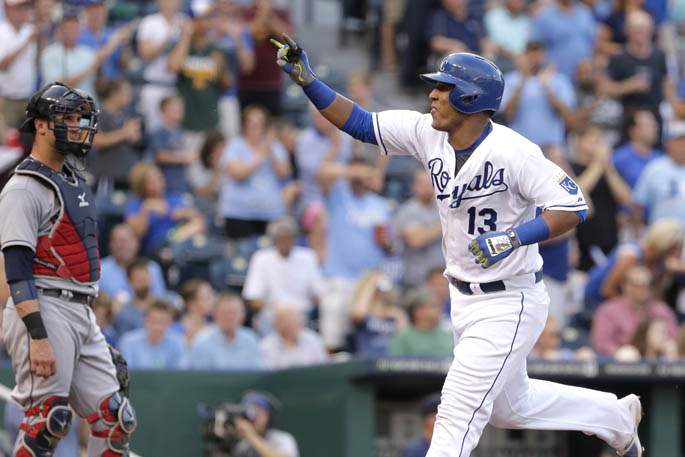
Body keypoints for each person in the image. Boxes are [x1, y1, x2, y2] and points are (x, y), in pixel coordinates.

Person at [274, 36, 644, 457]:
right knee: (510, 407)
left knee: (456, 409)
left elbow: (573, 206)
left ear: (470, 98)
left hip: (510, 298)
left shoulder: (514, 152)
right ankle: (614, 417)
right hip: (463, 298)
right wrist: (309, 82)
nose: (433, 94)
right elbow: (362, 123)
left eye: (444, 87)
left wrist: (513, 237)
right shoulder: (427, 133)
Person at [0, 82, 136, 456]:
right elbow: (16, 268)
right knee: (47, 420)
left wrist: (85, 326)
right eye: (67, 118)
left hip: (81, 307)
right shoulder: (24, 187)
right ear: (41, 125)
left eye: (79, 119)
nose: (76, 126)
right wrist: (38, 335)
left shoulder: (74, 180)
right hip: (43, 303)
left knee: (115, 419)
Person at [218, 105, 291, 239]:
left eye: (259, 123)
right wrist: (260, 155)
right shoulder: (235, 146)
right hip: (239, 214)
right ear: (244, 125)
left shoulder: (275, 147)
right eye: (251, 122)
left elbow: (284, 174)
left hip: (270, 213)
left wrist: (270, 152)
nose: (255, 126)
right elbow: (238, 174)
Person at [242, 217, 323, 335]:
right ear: (274, 240)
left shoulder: (308, 257)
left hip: (302, 313)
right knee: (268, 318)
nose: (285, 242)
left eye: (288, 238)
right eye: (281, 238)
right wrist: (277, 308)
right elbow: (252, 298)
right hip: (272, 313)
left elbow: (319, 294)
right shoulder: (261, 258)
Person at [168, 0, 231, 146]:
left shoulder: (216, 49)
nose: (206, 23)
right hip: (186, 123)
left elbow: (227, 85)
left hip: (211, 121)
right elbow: (173, 67)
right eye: (201, 18)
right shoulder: (182, 46)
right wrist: (186, 36)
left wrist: (221, 68)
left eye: (208, 18)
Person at [570, 125, 631, 272]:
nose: (598, 145)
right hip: (583, 241)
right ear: (579, 141)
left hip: (610, 239)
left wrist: (608, 167)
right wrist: (597, 164)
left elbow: (626, 198)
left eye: (599, 140)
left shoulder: (609, 169)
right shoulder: (570, 167)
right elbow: (578, 192)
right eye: (593, 140)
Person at [500, 40, 577, 148]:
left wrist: (547, 88)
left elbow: (568, 115)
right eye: (531, 55)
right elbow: (508, 114)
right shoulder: (511, 80)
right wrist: (523, 80)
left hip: (552, 145)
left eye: (539, 55)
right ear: (525, 56)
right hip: (520, 146)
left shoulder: (559, 80)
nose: (535, 60)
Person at [591, 265, 678, 357]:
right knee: (628, 354)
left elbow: (674, 337)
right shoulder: (608, 310)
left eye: (647, 284)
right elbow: (602, 343)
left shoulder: (661, 310)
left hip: (658, 359)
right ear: (625, 286)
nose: (643, 288)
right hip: (622, 361)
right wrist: (622, 353)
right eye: (637, 284)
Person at [125, 162, 206, 257]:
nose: (159, 182)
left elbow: (199, 219)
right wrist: (145, 210)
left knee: (198, 224)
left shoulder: (174, 197)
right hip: (154, 249)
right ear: (142, 185)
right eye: (152, 181)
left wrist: (181, 213)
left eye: (159, 177)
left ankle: (172, 244)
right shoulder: (136, 205)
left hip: (179, 241)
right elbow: (136, 234)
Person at [40, 8, 123, 99]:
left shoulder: (88, 52)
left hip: (87, 103)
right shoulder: (49, 53)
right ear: (60, 30)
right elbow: (56, 86)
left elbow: (100, 84)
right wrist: (91, 68)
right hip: (60, 104)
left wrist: (102, 65)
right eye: (67, 28)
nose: (71, 32)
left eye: (74, 28)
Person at [137, 0, 187, 131]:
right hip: (153, 84)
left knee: (171, 130)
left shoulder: (184, 21)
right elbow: (145, 54)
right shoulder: (150, 22)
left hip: (173, 86)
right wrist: (168, 38)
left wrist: (184, 36)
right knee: (153, 130)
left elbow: (176, 65)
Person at [394, 168, 445, 289]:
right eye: (422, 183)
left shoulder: (442, 208)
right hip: (416, 282)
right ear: (413, 186)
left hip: (442, 281)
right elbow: (416, 240)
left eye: (430, 183)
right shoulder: (407, 211)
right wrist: (447, 222)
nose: (427, 187)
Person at [90, 78, 143, 192]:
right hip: (109, 176)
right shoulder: (100, 113)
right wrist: (124, 133)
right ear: (114, 94)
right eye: (126, 93)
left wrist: (133, 136)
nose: (129, 97)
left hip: (128, 175)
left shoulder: (124, 114)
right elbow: (97, 141)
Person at [188, 293, 262, 370]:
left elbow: (257, 372)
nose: (230, 317)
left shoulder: (251, 339)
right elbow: (198, 375)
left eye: (234, 312)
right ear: (215, 315)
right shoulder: (202, 341)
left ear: (243, 316)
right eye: (224, 312)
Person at [99, 223, 167, 305]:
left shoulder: (151, 268)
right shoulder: (100, 269)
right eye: (116, 241)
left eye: (125, 241)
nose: (121, 246)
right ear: (110, 244)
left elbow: (160, 301)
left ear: (136, 242)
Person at [632, 120, 685, 224]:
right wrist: (638, 231)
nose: (682, 146)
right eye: (678, 141)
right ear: (668, 143)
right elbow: (638, 205)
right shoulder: (654, 168)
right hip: (660, 231)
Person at [529, 0, 597, 80]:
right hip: (557, 77)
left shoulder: (585, 13)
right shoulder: (544, 16)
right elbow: (534, 47)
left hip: (584, 77)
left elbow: (593, 42)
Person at [349, 271, 407, 357]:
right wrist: (371, 283)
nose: (379, 291)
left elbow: (404, 338)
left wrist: (399, 317)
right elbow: (358, 313)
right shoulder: (364, 314)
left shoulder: (394, 314)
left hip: (391, 360)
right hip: (368, 360)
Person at [0, 0, 38, 130]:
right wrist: (25, 43)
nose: (22, 12)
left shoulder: (30, 29)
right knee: (9, 139)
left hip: (28, 98)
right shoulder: (2, 31)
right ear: (7, 10)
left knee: (29, 139)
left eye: (24, 8)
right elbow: (2, 65)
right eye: (17, 8)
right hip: (8, 100)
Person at [118, 299, 187, 369]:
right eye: (153, 320)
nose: (157, 326)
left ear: (170, 322)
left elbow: (181, 372)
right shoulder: (128, 342)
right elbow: (125, 372)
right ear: (145, 319)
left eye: (162, 321)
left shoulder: (178, 343)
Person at [150, 95, 196, 195]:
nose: (180, 111)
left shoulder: (181, 131)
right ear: (164, 110)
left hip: (181, 183)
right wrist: (183, 158)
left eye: (181, 108)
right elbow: (160, 155)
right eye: (175, 108)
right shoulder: (158, 132)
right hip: (166, 184)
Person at [260, 303, 328, 370]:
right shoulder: (266, 346)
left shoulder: (313, 339)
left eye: (294, 319)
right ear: (275, 323)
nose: (291, 323)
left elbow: (323, 367)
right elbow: (268, 373)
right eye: (285, 320)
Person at [389, 287, 453, 358]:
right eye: (433, 306)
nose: (439, 310)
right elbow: (395, 362)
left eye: (439, 306)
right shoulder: (403, 337)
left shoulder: (448, 334)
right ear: (418, 311)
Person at [232, 391, 299, 457]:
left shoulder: (282, 439)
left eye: (258, 413)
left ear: (268, 416)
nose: (253, 418)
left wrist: (251, 436)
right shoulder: (243, 446)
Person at [612, 109, 662, 188]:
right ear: (633, 130)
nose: (655, 129)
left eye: (654, 125)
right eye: (648, 125)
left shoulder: (661, 157)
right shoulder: (618, 158)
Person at [112, 257, 158, 335]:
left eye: (145, 279)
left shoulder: (163, 306)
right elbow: (124, 339)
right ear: (130, 282)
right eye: (138, 280)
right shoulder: (124, 313)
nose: (143, 284)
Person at [178, 278, 215, 344]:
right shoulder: (178, 328)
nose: (213, 300)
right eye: (207, 297)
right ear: (192, 304)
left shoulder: (214, 325)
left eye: (212, 296)